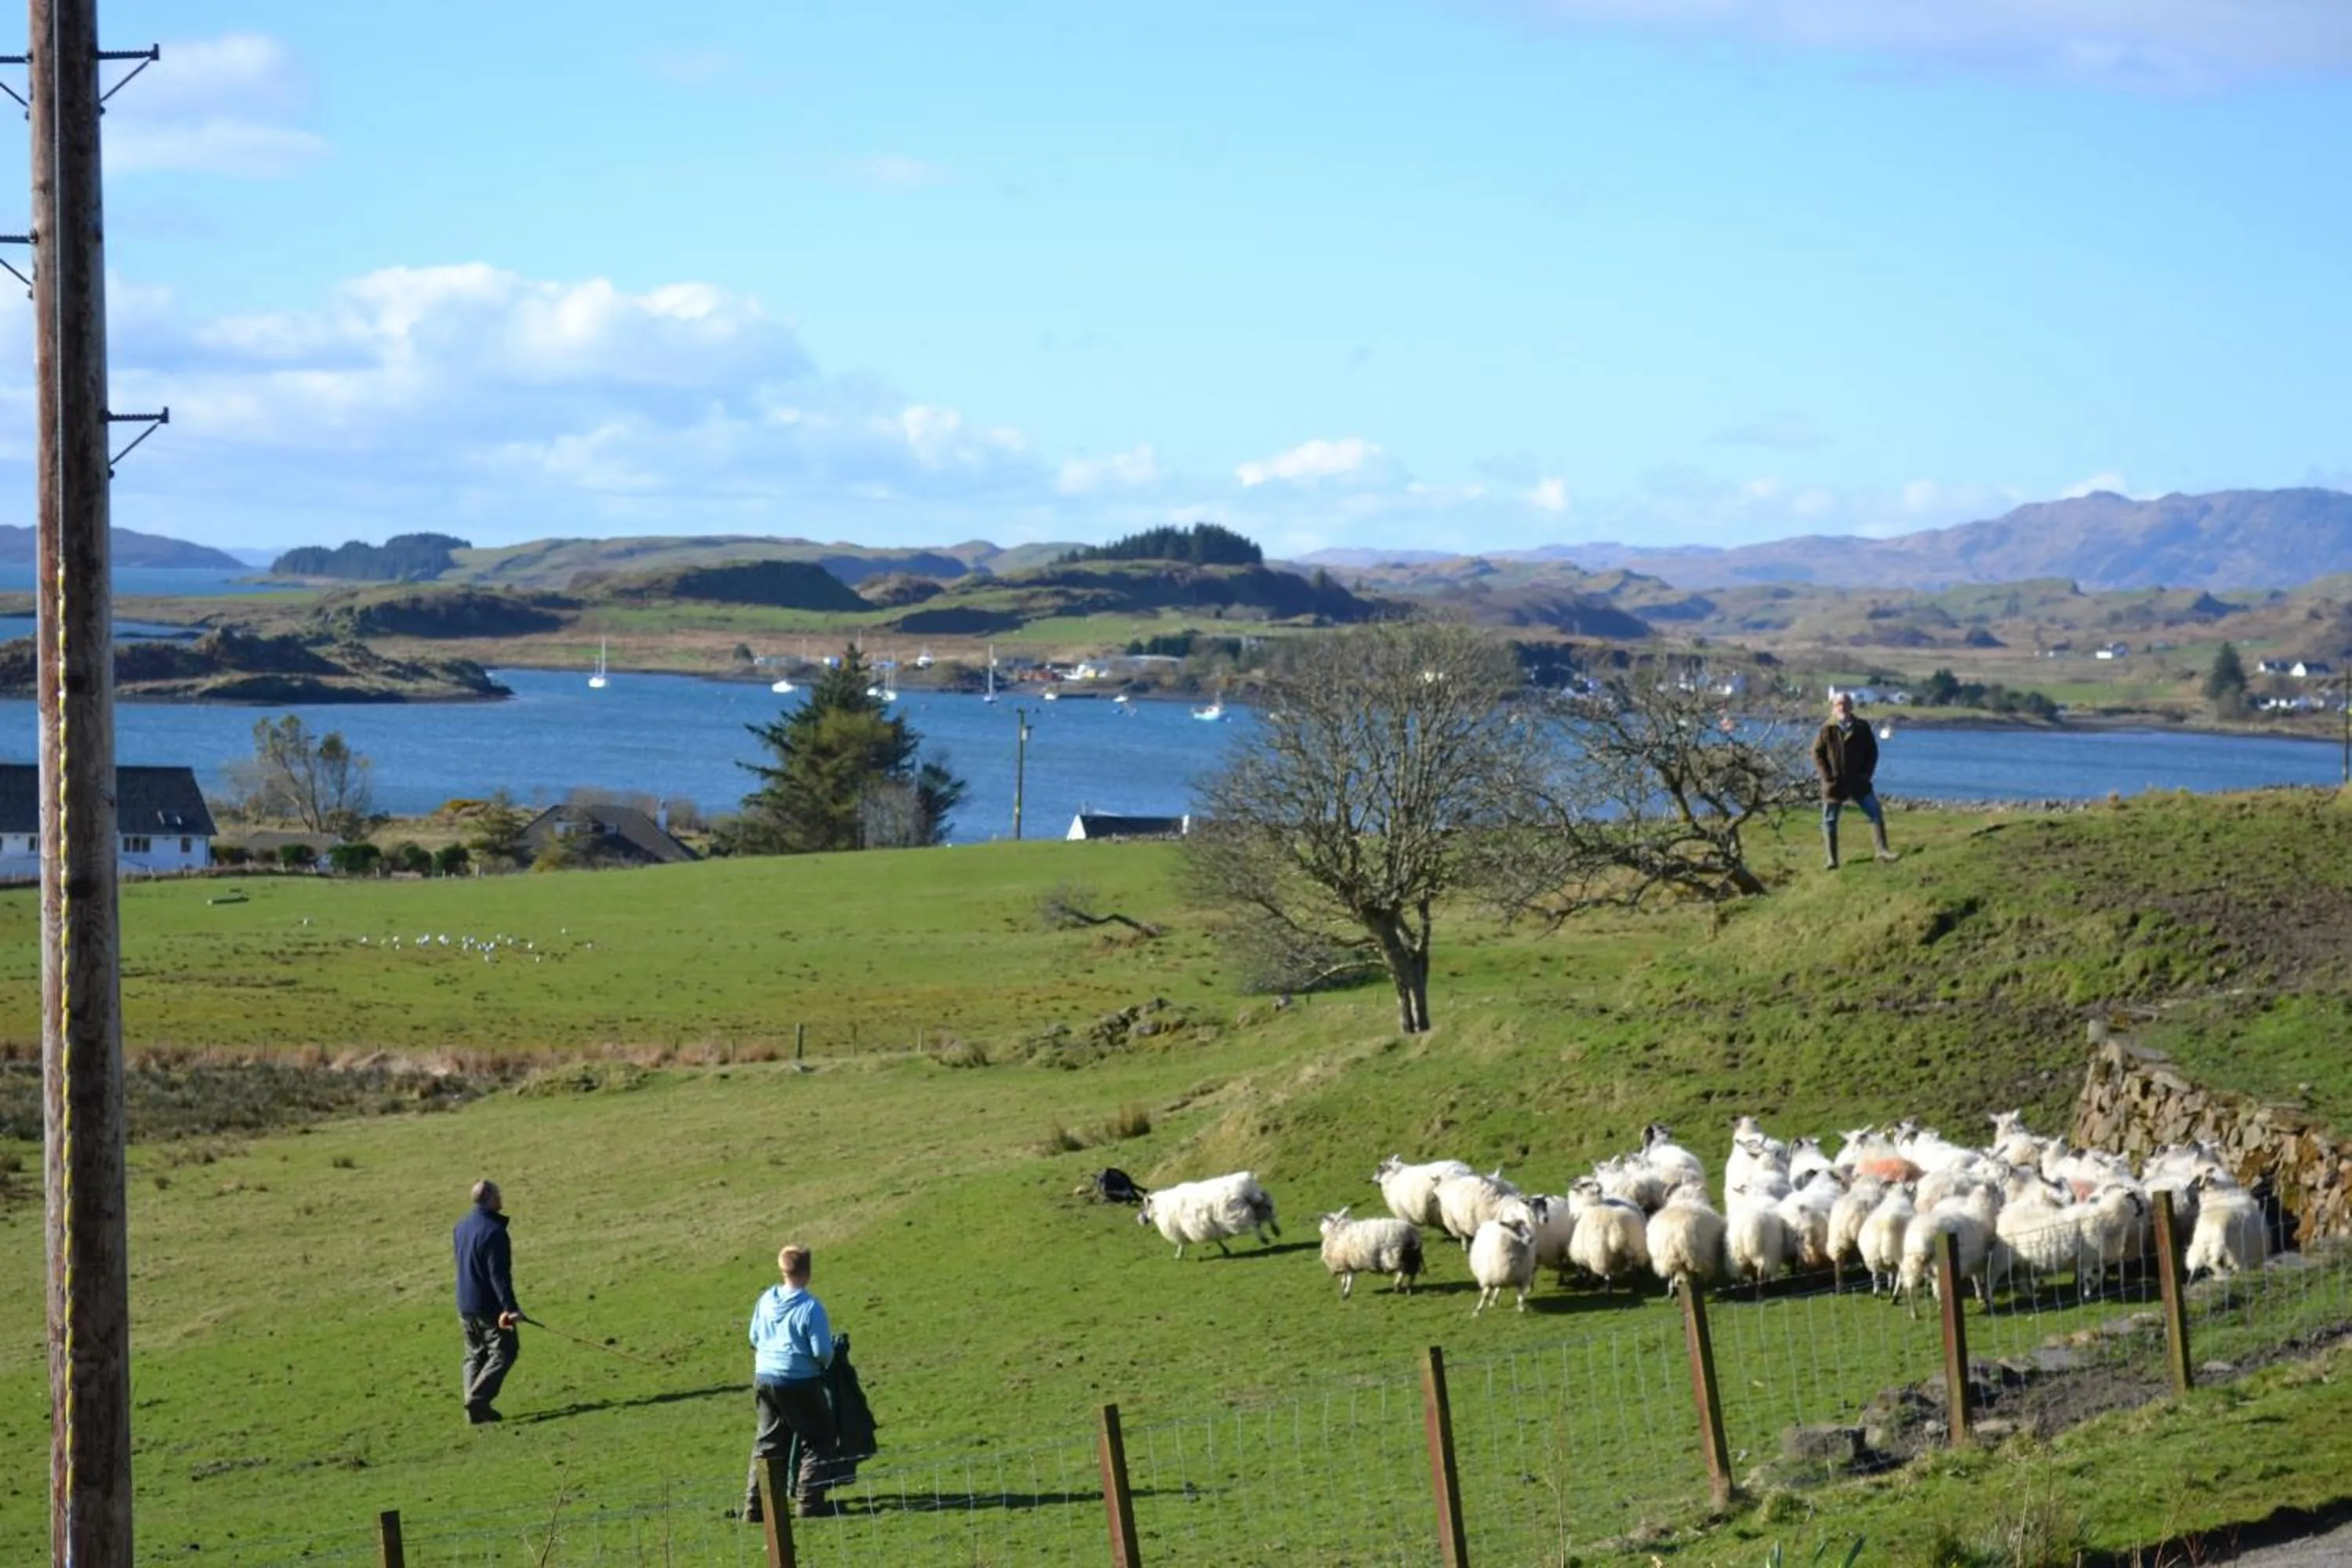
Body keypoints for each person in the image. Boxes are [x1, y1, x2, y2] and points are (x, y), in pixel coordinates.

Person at [742, 1244, 840, 1523]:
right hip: (799, 1380)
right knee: (819, 1437)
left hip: (764, 1378)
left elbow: (753, 1338)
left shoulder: (766, 1300)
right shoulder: (810, 1308)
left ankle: (756, 1506)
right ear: (807, 1272)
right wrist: (823, 1367)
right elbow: (822, 1351)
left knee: (767, 1443)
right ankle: (808, 1501)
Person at [452, 1178, 523, 1425]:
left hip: (464, 1303)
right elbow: (499, 1275)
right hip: (488, 1306)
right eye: (499, 1194)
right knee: (505, 1351)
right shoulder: (494, 1232)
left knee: (475, 1355)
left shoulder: (460, 1227)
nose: (502, 1198)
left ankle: (475, 1412)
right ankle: (478, 1400)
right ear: (490, 1199)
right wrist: (511, 1309)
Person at [1812, 691, 1896, 869]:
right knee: (1830, 820)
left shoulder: (1862, 727)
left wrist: (1866, 773)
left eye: (1845, 703)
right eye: (1838, 704)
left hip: (1859, 782)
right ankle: (1832, 860)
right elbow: (1817, 754)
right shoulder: (1827, 729)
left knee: (1875, 812)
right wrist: (1826, 776)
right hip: (1834, 784)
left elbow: (1872, 752)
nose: (1842, 707)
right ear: (1834, 707)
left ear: (1851, 706)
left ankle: (1882, 850)